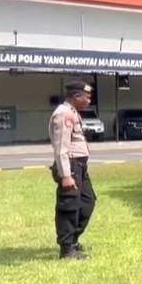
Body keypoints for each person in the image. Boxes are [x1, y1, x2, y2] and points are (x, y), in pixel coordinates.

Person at [49, 81, 96, 260]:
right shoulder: (64, 114)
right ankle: (67, 249)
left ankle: (73, 240)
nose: (89, 100)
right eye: (87, 97)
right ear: (76, 97)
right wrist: (66, 175)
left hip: (80, 166)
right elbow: (61, 148)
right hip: (71, 166)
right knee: (69, 206)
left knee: (87, 201)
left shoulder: (73, 113)